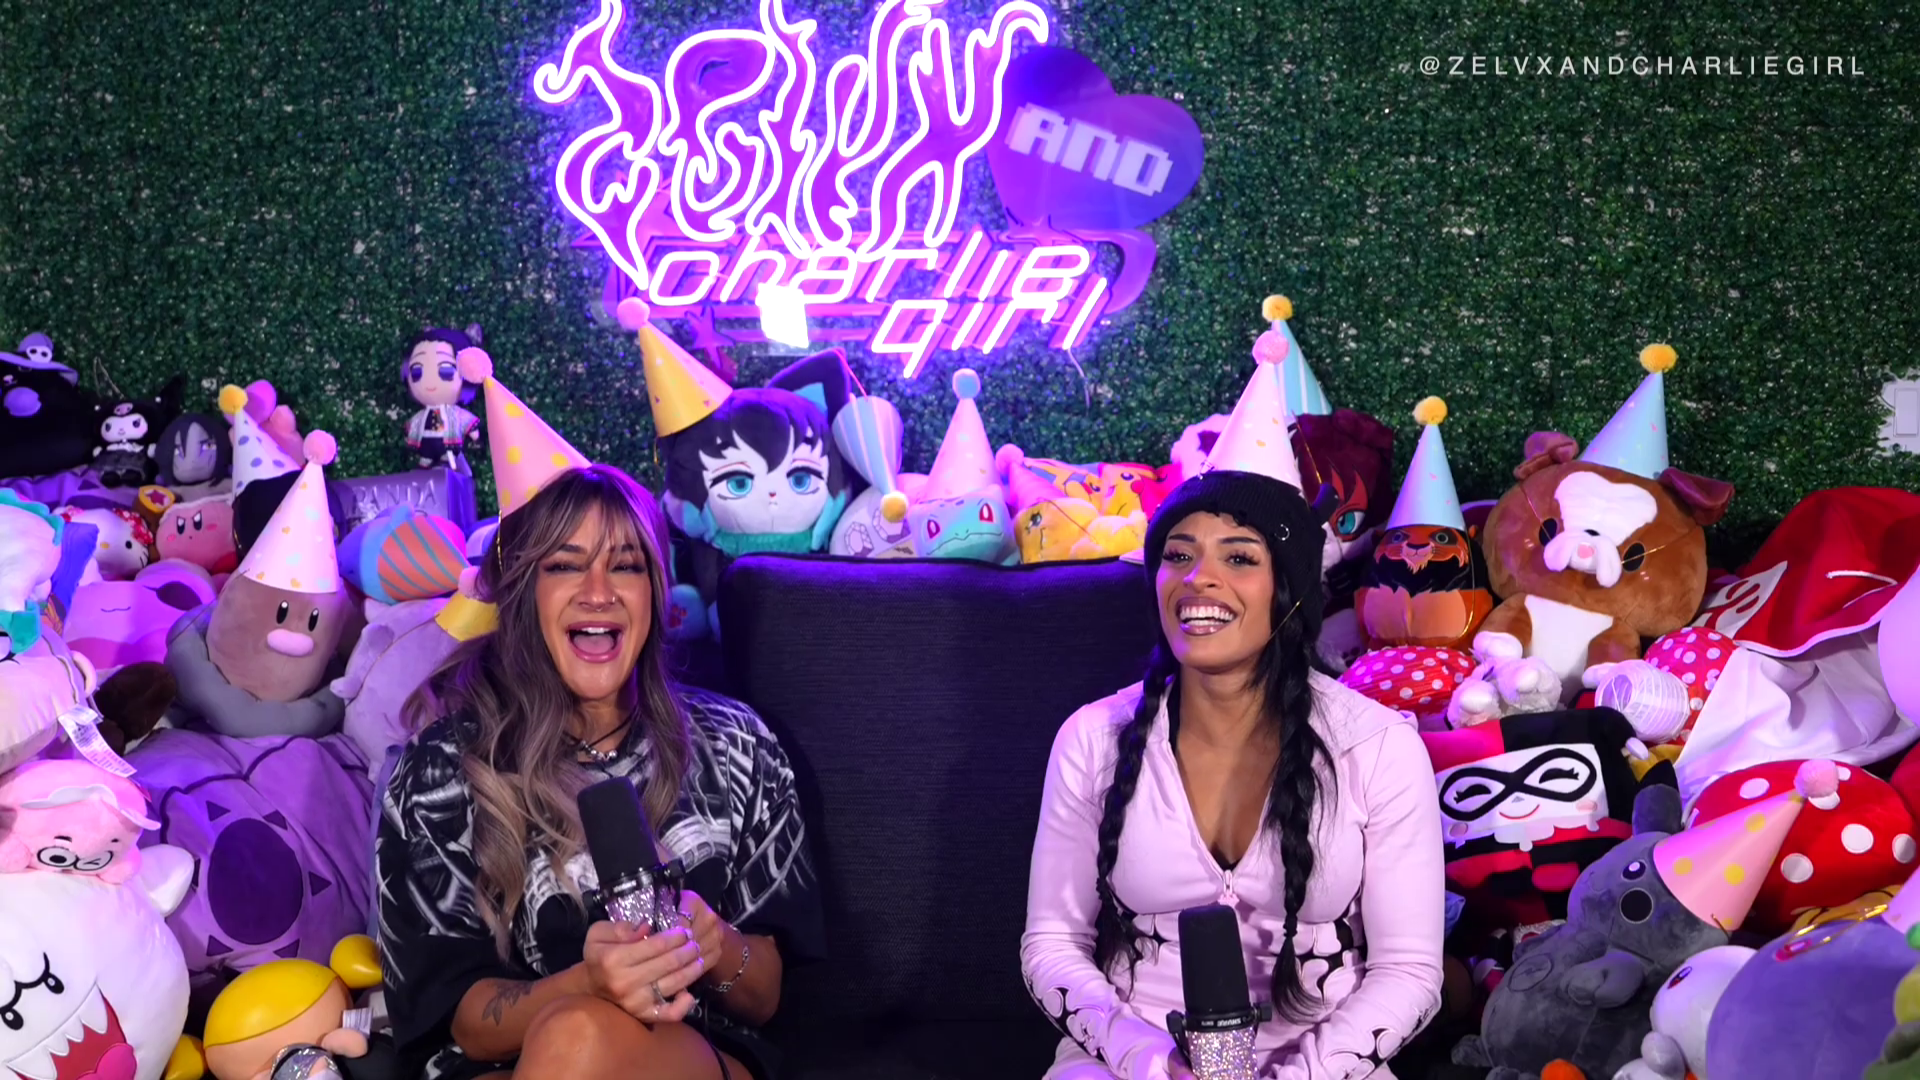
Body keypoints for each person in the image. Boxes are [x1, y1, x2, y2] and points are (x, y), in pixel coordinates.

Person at [376, 465, 824, 1080]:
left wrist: (712, 942)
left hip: (691, 1057)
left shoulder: (737, 746)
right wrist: (587, 984)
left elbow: (766, 998)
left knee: (578, 1037)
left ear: (656, 593)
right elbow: (457, 1021)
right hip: (500, 1062)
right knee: (574, 1034)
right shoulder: (441, 771)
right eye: (565, 565)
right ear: (524, 594)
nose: (598, 592)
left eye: (626, 566)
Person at [1021, 469, 1445, 1080]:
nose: (1199, 577)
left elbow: (1409, 971)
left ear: (1289, 591)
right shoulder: (1091, 740)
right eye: (1178, 555)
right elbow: (1052, 944)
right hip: (1127, 1061)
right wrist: (1146, 1059)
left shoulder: (1377, 746)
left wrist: (1299, 1076)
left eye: (1239, 557)